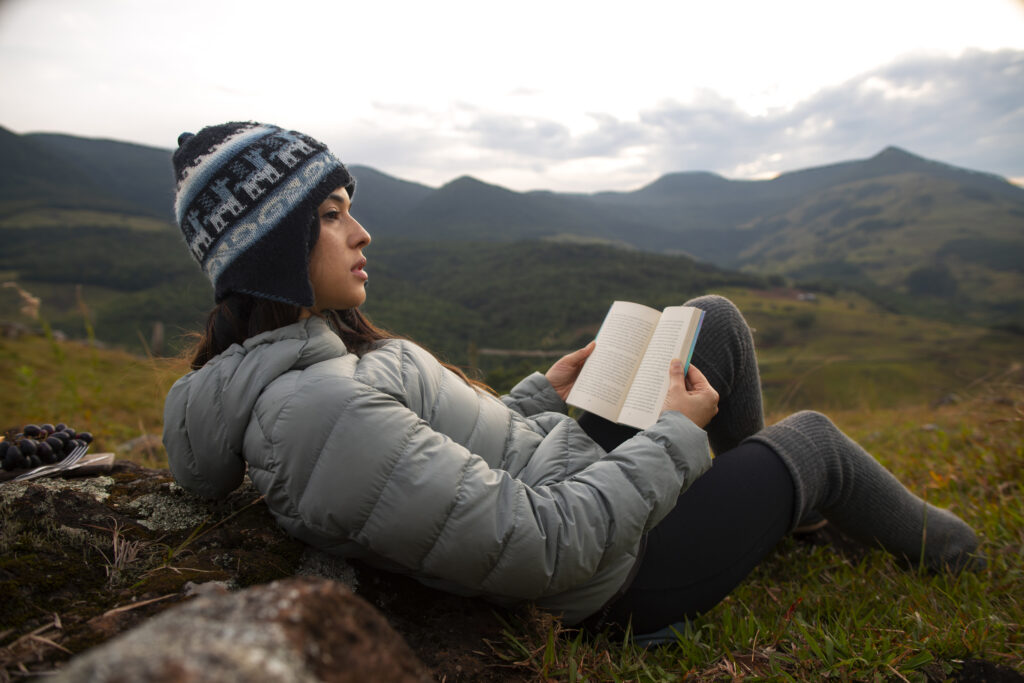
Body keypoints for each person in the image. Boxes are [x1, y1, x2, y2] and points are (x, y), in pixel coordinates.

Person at [163, 122, 981, 642]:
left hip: (567, 468)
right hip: (611, 575)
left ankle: (768, 515)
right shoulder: (314, 413)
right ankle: (958, 555)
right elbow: (540, 550)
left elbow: (440, 464)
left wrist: (543, 394)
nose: (362, 230)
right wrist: (675, 436)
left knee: (712, 322)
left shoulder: (314, 357)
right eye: (334, 213)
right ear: (273, 249)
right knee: (814, 445)